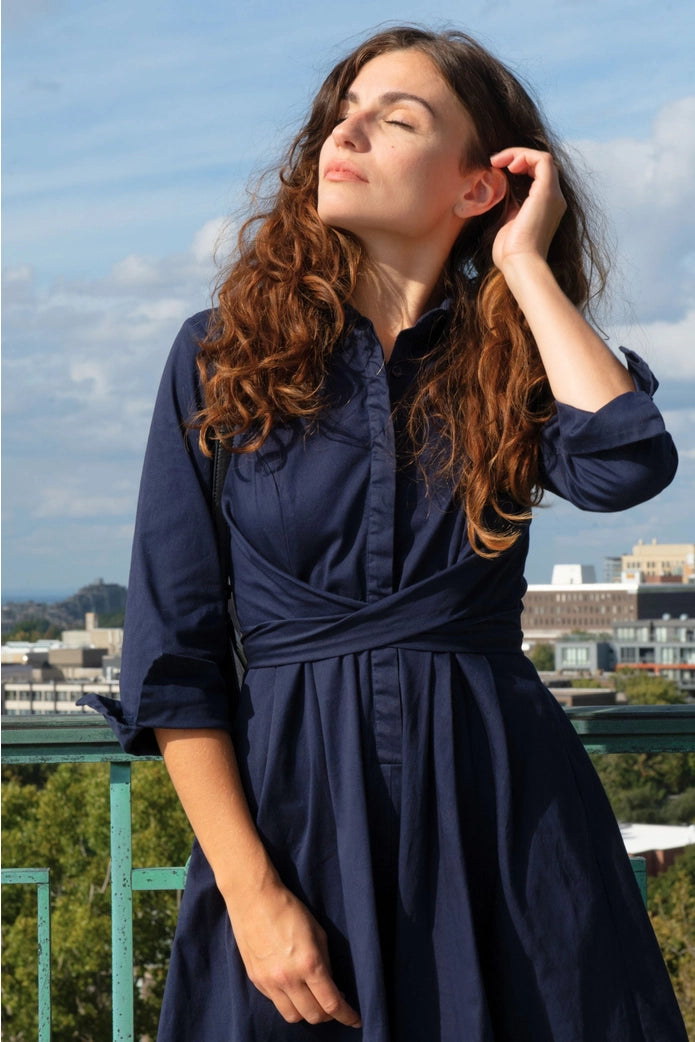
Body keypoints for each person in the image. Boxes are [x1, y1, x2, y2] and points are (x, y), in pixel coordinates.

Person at [83, 25, 688, 1041]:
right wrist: (252, 897)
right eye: (343, 111)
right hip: (290, 823)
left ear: (475, 184)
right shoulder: (223, 355)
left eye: (396, 117)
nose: (346, 128)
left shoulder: (507, 356)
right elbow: (173, 657)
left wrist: (522, 267)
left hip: (501, 816)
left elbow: (625, 462)